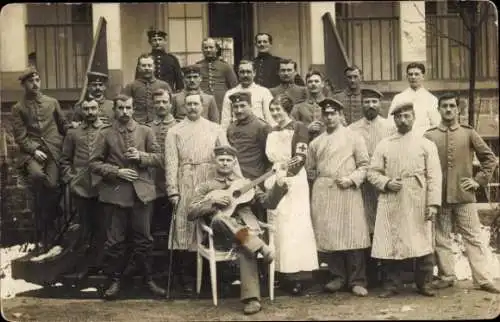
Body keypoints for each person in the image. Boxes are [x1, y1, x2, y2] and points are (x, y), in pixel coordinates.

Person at [187, 145, 288, 315]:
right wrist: (213, 203)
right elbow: (191, 212)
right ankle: (261, 247)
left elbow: (268, 203)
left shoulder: (246, 184)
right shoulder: (205, 186)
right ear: (215, 161)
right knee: (220, 218)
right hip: (221, 236)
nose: (225, 163)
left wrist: (279, 184)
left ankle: (252, 300)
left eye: (228, 160)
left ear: (234, 162)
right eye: (221, 160)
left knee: (245, 243)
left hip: (246, 234)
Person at [89, 94, 166, 299]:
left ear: (133, 109)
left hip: (142, 194)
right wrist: (117, 172)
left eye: (128, 108)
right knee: (115, 242)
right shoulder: (105, 134)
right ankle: (114, 282)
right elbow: (94, 163)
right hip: (115, 194)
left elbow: (159, 159)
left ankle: (148, 280)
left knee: (145, 240)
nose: (125, 112)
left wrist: (142, 157)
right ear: (114, 109)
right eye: (121, 108)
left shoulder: (146, 131)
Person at [424, 92, 500, 294]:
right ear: (438, 110)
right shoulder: (430, 135)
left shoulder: (468, 132)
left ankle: (483, 279)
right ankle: (447, 276)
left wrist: (478, 181)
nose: (448, 110)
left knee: (473, 237)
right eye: (444, 106)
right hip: (440, 197)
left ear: (458, 109)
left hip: (464, 197)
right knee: (441, 238)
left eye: (452, 106)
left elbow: (490, 159)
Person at [367, 102, 442, 298]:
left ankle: (425, 283)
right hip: (392, 197)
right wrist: (387, 182)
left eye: (407, 116)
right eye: (399, 117)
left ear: (414, 117)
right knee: (391, 241)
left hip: (418, 196)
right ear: (394, 119)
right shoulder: (384, 144)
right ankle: (391, 284)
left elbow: (435, 175)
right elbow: (372, 172)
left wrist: (433, 203)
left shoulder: (426, 144)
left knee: (422, 240)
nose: (403, 120)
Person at [164, 93, 230, 294]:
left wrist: (231, 184)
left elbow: (226, 155)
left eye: (196, 104)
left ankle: (215, 277)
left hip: (210, 178)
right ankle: (186, 276)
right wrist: (173, 190)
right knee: (185, 224)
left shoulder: (215, 128)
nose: (192, 107)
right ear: (184, 106)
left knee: (212, 222)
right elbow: (171, 162)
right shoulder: (174, 131)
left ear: (203, 106)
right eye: (189, 104)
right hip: (186, 178)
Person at [306, 98, 371, 297]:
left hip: (348, 189)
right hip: (325, 191)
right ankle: (337, 277)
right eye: (325, 113)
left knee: (353, 234)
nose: (329, 117)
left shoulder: (354, 137)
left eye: (333, 113)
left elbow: (365, 165)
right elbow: (310, 169)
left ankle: (357, 280)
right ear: (321, 116)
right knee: (330, 234)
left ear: (340, 115)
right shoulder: (316, 142)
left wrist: (351, 180)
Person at [264, 94, 318, 295]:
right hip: (275, 176)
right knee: (279, 226)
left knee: (295, 226)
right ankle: (281, 272)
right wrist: (275, 177)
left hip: (294, 180)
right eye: (273, 110)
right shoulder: (271, 130)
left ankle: (299, 276)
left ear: (287, 109)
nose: (275, 113)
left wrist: (285, 175)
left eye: (278, 109)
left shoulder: (299, 128)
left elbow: (301, 156)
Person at [11, 67, 69, 250]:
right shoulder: (18, 108)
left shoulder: (52, 102)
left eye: (37, 79)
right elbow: (20, 137)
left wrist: (75, 129)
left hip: (53, 151)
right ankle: (49, 217)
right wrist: (34, 150)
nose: (35, 84)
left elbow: (63, 125)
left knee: (52, 185)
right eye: (30, 81)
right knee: (36, 177)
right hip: (32, 154)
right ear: (24, 84)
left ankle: (50, 215)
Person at [348, 88, 394, 287]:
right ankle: (367, 275)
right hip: (362, 185)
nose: (370, 105)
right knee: (364, 226)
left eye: (374, 101)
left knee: (385, 225)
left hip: (384, 183)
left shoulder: (389, 127)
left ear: (380, 104)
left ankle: (386, 275)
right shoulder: (352, 129)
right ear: (361, 104)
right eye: (367, 102)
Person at [60, 97, 110, 277]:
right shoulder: (73, 133)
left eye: (93, 108)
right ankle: (83, 266)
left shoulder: (106, 130)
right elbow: (65, 160)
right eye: (86, 109)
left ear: (99, 110)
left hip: (101, 186)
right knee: (84, 228)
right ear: (81, 110)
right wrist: (71, 179)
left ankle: (100, 264)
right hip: (81, 188)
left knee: (102, 227)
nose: (90, 112)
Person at [147, 89, 178, 246]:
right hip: (152, 183)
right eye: (157, 102)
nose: (161, 105)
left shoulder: (178, 127)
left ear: (171, 105)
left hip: (173, 182)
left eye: (164, 102)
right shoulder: (146, 128)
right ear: (152, 105)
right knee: (153, 225)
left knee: (172, 225)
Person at [226, 91, 272, 181]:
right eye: (236, 107)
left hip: (255, 179)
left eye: (243, 106)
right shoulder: (231, 127)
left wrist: (264, 180)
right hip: (234, 178)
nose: (239, 110)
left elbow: (269, 159)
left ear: (250, 106)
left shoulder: (262, 127)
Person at [388, 62, 440, 137]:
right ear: (407, 76)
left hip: (423, 139)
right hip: (402, 139)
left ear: (423, 76)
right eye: (410, 74)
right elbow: (390, 124)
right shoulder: (398, 98)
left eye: (416, 74)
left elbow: (436, 124)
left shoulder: (431, 99)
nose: (413, 77)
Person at [221, 60, 275, 130]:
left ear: (254, 73)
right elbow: (225, 121)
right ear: (238, 73)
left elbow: (270, 119)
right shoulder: (230, 93)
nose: (245, 75)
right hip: (237, 134)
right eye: (242, 72)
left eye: (248, 72)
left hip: (259, 133)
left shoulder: (264, 92)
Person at [122, 53, 172, 124]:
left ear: (154, 67)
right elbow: (124, 106)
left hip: (158, 123)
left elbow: (170, 107)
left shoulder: (164, 85)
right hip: (137, 123)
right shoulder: (131, 86)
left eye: (149, 65)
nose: (147, 68)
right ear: (139, 68)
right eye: (143, 65)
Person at [197, 38, 238, 115]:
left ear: (216, 49)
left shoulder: (225, 66)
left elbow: (234, 87)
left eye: (211, 47)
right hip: (203, 102)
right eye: (206, 48)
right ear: (202, 50)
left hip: (221, 102)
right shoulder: (197, 66)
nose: (208, 50)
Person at [135, 28, 184, 92]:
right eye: (154, 40)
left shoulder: (172, 59)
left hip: (168, 94)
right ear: (150, 42)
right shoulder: (144, 59)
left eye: (160, 39)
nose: (157, 42)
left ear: (165, 41)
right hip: (149, 93)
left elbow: (179, 83)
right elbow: (138, 79)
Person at [290, 70, 327, 141]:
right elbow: (291, 129)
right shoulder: (298, 107)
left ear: (322, 84)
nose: (313, 84)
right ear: (306, 85)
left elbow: (341, 127)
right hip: (305, 145)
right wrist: (306, 129)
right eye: (310, 82)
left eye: (316, 81)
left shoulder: (331, 105)